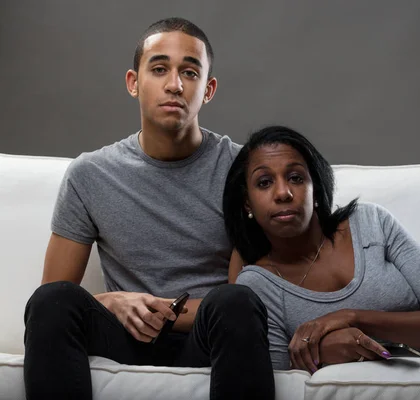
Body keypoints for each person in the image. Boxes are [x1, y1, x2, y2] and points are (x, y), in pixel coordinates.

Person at [23, 18, 274, 400]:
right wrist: (113, 302)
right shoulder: (90, 174)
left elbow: (253, 295)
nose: (174, 84)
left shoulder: (244, 170)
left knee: (236, 302)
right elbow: (55, 291)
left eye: (189, 72)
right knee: (50, 303)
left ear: (208, 90)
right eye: (159, 69)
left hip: (207, 336)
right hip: (123, 336)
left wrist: (166, 312)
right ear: (133, 82)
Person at [223, 125, 420, 372]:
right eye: (264, 182)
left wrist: (353, 317)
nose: (283, 193)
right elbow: (279, 379)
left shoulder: (370, 223)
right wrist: (322, 351)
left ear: (315, 190)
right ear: (247, 203)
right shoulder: (258, 286)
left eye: (295, 178)